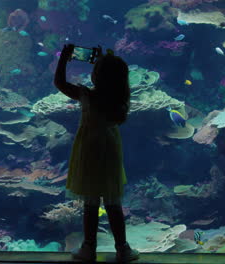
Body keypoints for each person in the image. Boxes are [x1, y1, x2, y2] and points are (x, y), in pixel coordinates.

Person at [54, 44, 140, 262]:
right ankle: (122, 248)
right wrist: (104, 62)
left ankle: (89, 248)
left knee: (91, 203)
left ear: (96, 76)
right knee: (113, 203)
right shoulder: (120, 101)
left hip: (89, 151)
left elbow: (60, 83)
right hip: (110, 151)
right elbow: (111, 79)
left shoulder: (87, 96)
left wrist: (64, 58)